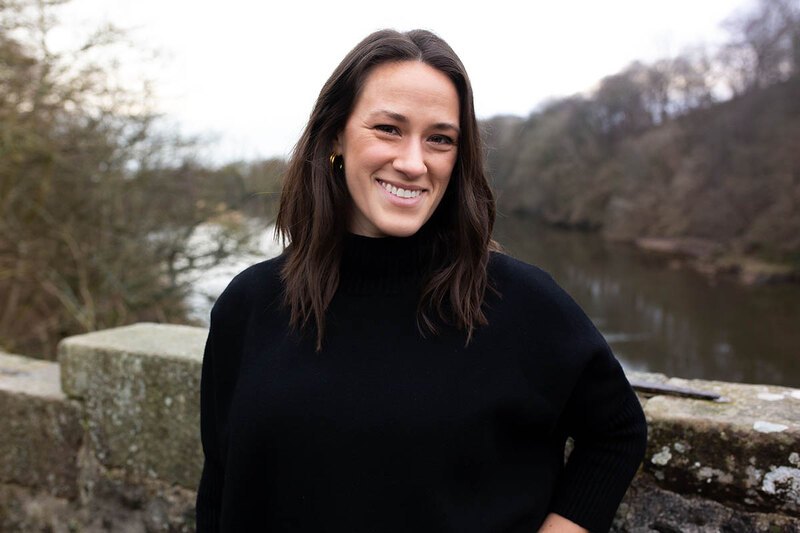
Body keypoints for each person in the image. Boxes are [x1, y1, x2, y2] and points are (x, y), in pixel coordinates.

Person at [196, 29, 647, 533]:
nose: (413, 163)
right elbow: (220, 482)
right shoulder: (249, 305)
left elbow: (616, 432)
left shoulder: (520, 303)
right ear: (335, 137)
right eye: (388, 129)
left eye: (440, 138)